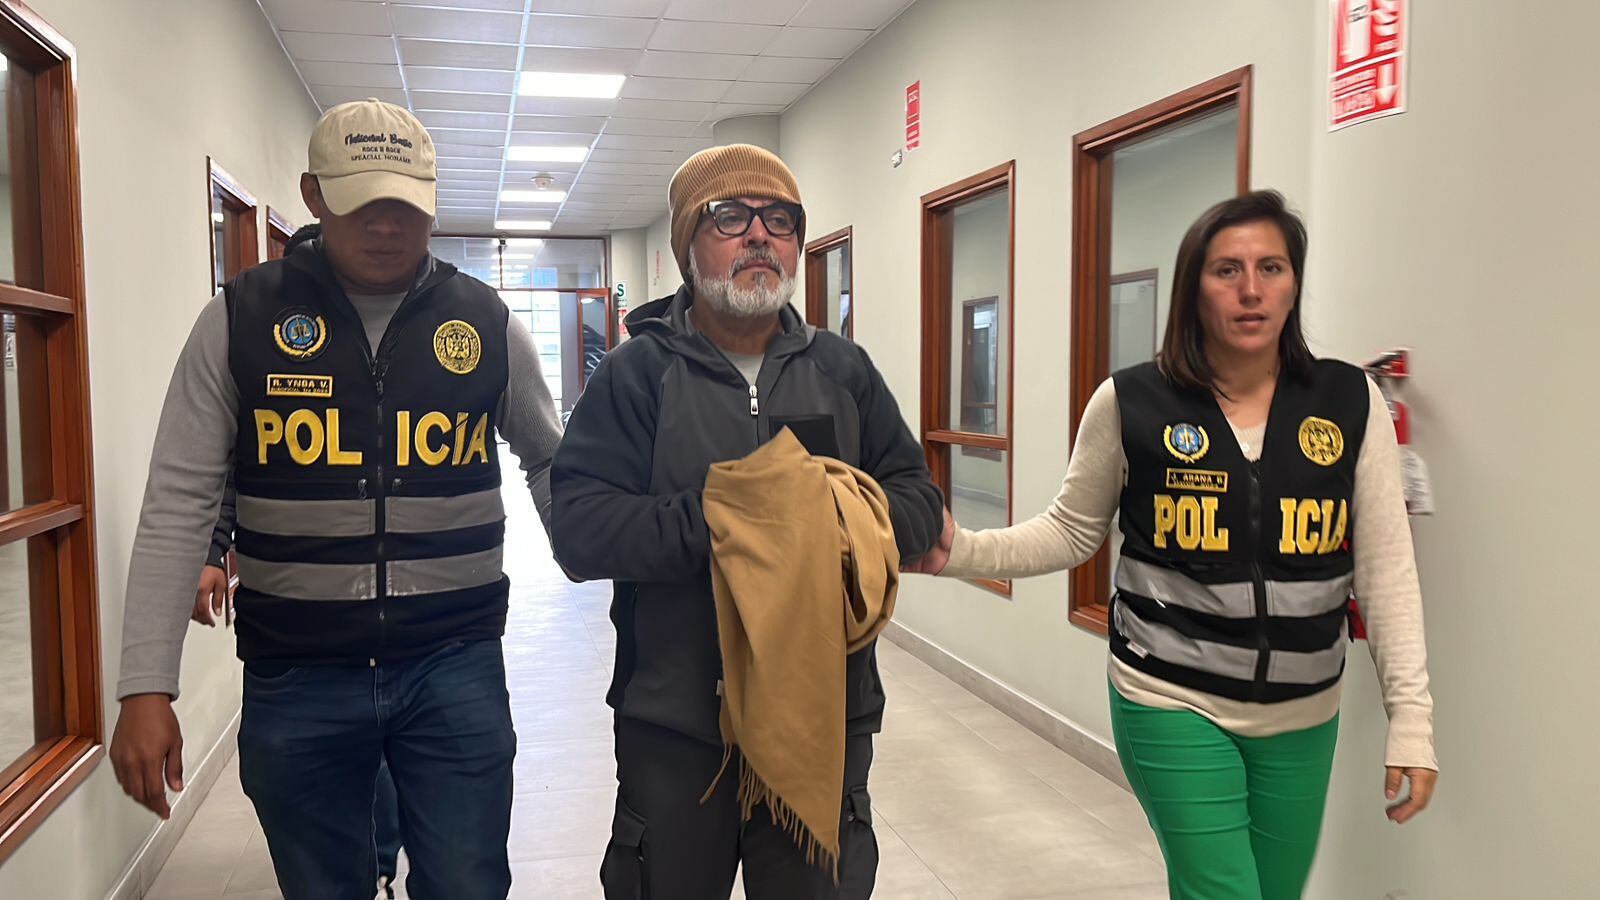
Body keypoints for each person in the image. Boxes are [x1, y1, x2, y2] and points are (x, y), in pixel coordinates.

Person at [908, 190, 1438, 900]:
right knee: (1224, 892)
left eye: (1272, 267)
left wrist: (1412, 720)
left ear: (1294, 282)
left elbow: (1385, 568)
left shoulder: (1348, 402)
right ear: (1194, 287)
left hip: (1305, 712)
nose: (1251, 290)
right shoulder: (1132, 402)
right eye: (1227, 270)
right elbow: (1071, 529)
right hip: (1170, 698)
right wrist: (961, 551)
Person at [110, 98, 563, 900]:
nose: (386, 226)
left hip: (454, 664)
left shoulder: (487, 324)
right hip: (298, 675)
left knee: (467, 883)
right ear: (314, 195)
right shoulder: (239, 321)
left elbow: (551, 460)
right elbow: (179, 501)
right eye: (362, 204)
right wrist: (147, 686)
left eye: (405, 206)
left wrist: (600, 548)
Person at [550, 143, 944, 900]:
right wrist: (732, 521)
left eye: (780, 219)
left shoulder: (844, 371)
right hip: (678, 726)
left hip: (824, 718)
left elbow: (918, 502)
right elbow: (581, 529)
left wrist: (823, 517)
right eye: (729, 216)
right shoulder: (638, 375)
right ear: (688, 246)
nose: (759, 234)